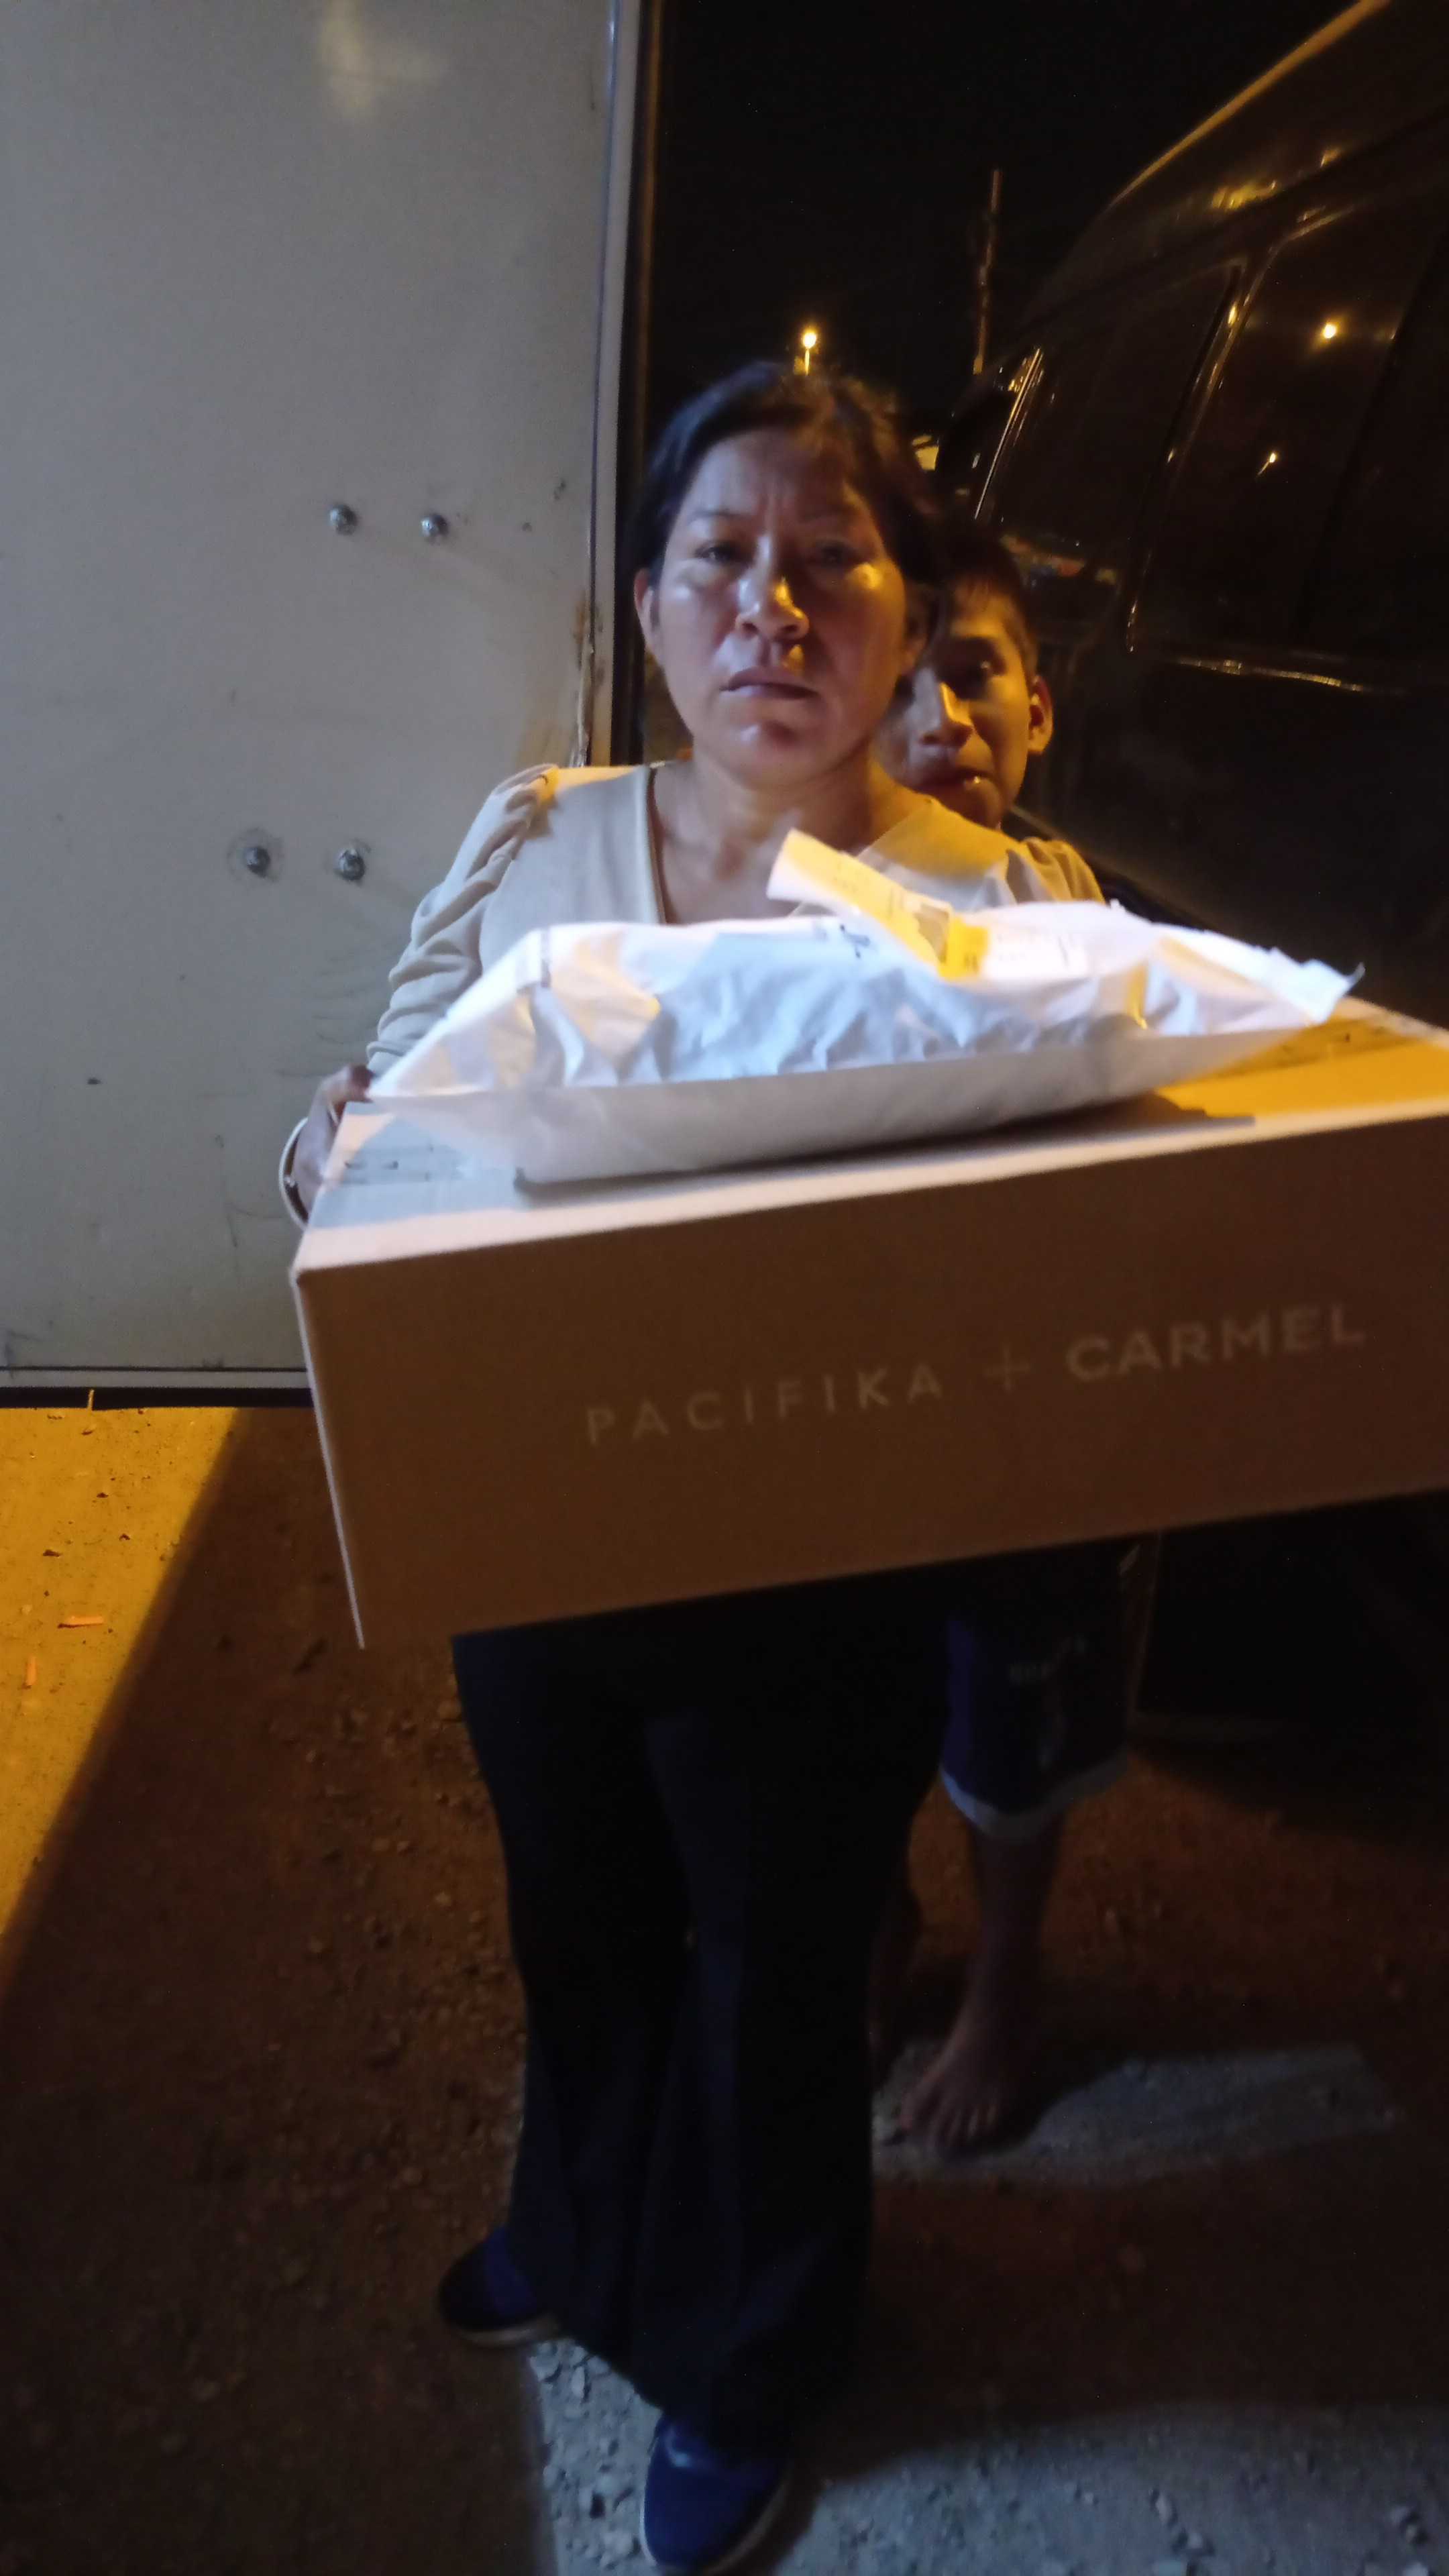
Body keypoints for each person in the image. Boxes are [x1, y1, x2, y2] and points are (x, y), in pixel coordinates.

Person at [284, 363, 1091, 2575]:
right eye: (721, 558)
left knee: (777, 1949)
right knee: (580, 1910)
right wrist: (338, 1150)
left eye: (832, 559)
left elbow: (1064, 1242)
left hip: (821, 1555)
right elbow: (395, 1097)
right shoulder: (542, 843)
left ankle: (757, 2354)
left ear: (904, 612)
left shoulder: (994, 900)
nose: (773, 607)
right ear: (647, 605)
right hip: (542, 1514)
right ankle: (579, 2227)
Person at [869, 517, 1134, 2157]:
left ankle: (1003, 1985)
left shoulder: (1074, 899)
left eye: (974, 676)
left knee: (1015, 1711)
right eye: (900, 687)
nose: (940, 719)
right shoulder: (810, 890)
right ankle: (877, 1928)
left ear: (1038, 704)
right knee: (848, 1700)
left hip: (1032, 1417)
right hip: (857, 1395)